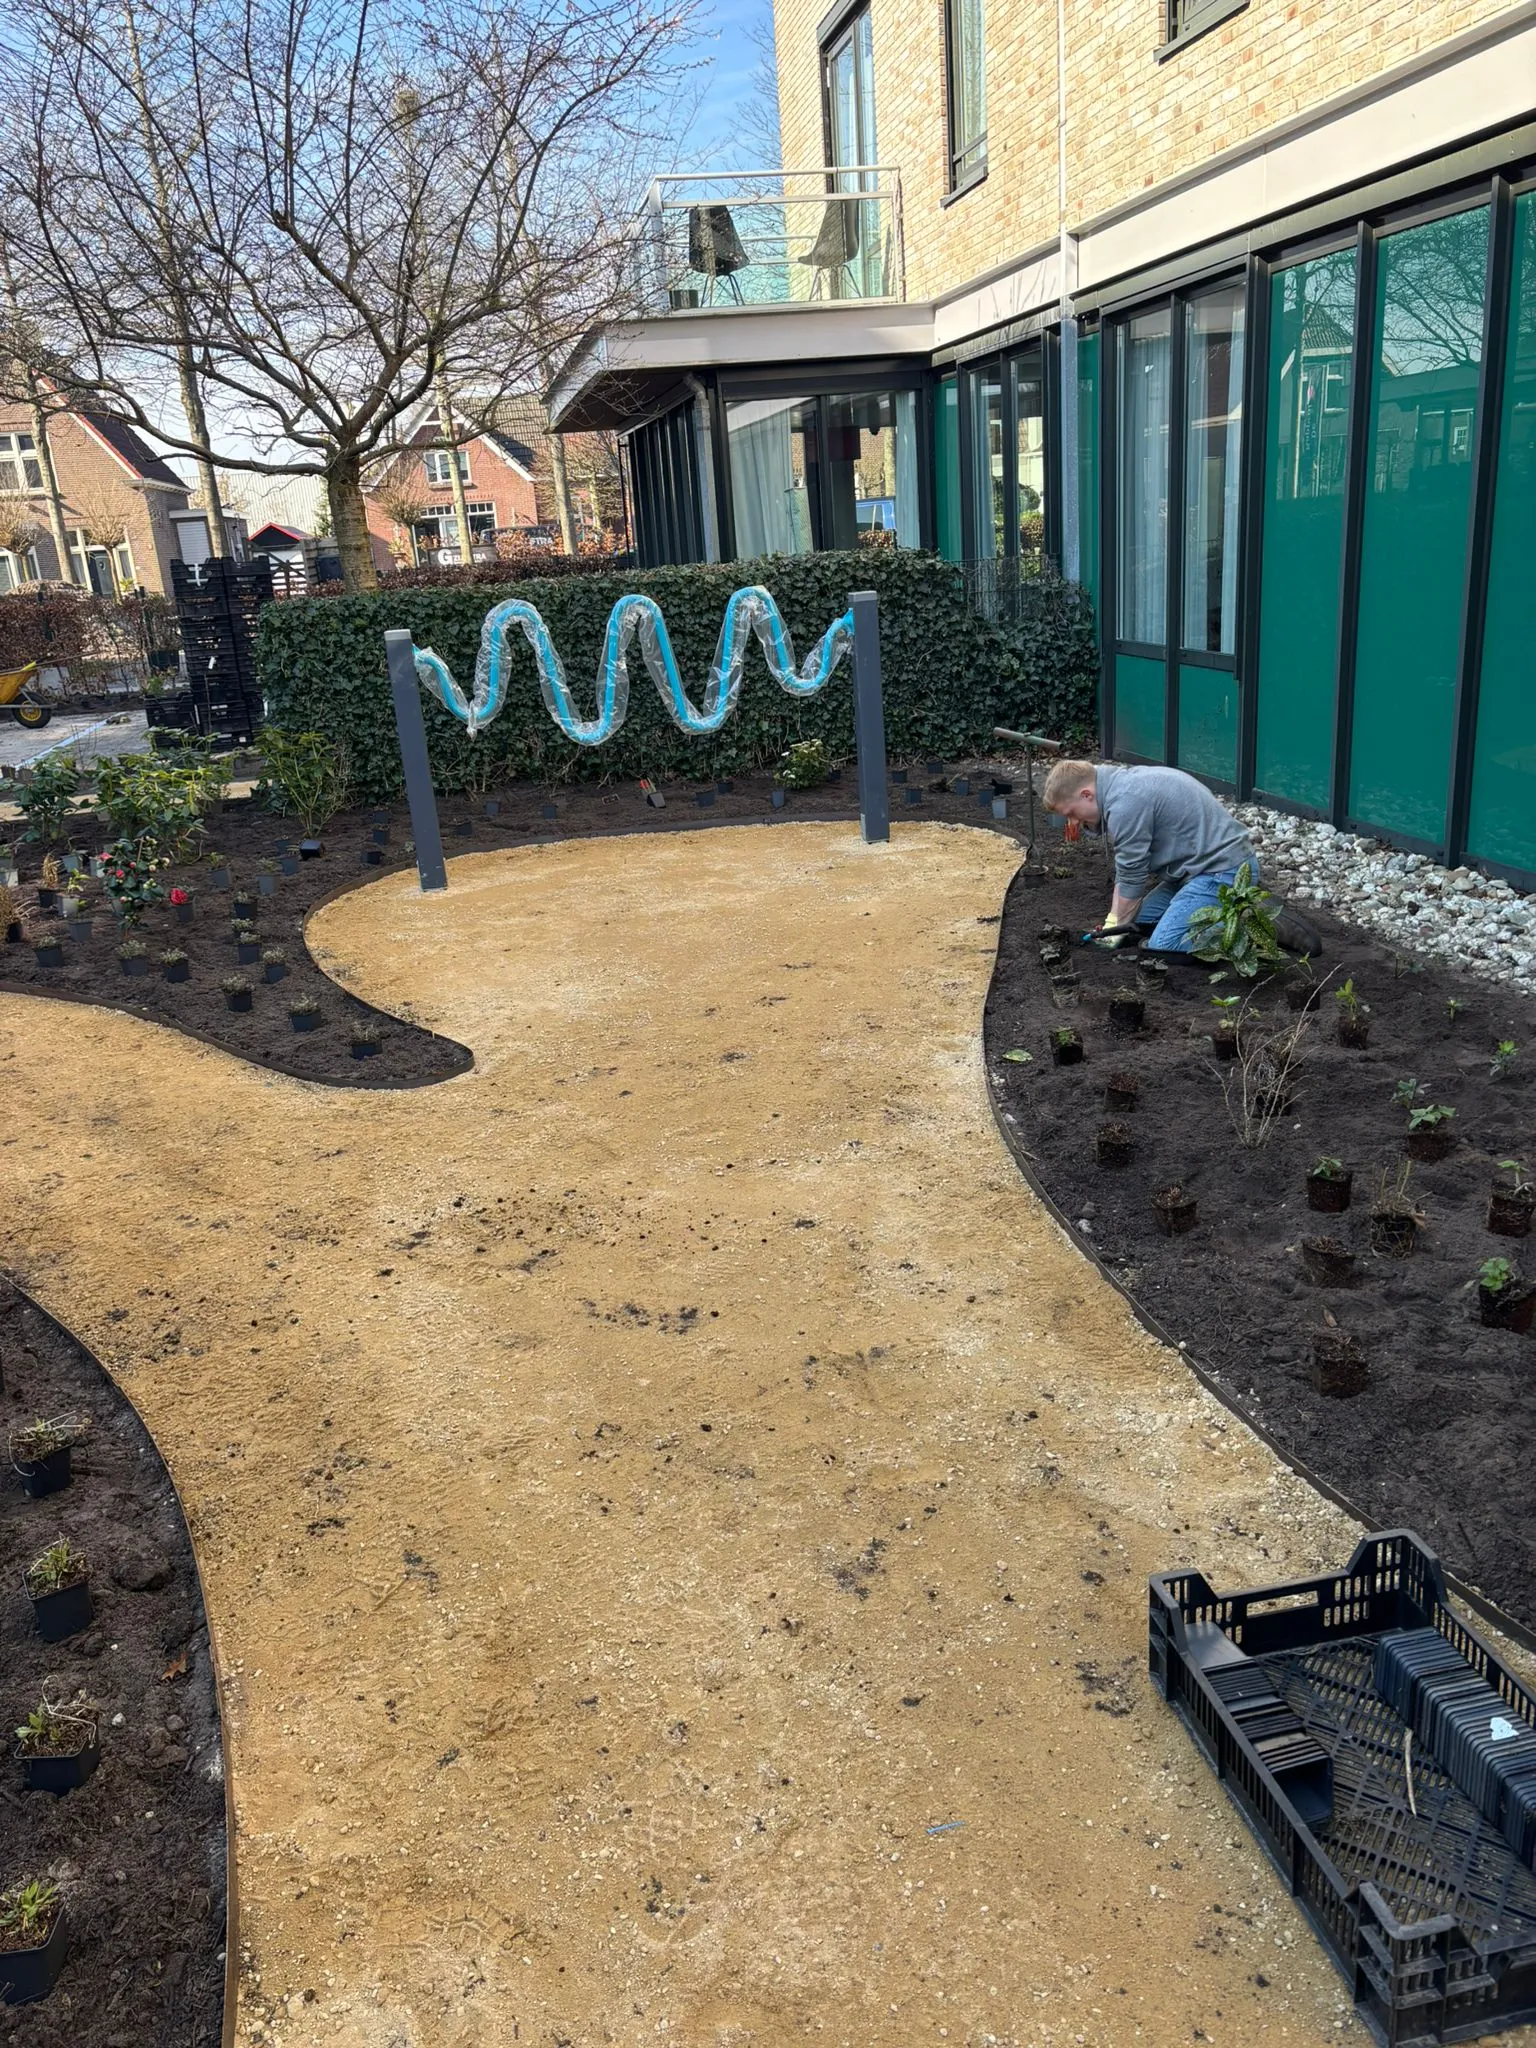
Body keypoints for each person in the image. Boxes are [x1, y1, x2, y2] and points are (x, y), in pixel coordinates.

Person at [1040, 758, 1260, 953]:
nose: (1073, 823)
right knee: (1139, 923)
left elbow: (1132, 878)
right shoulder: (1118, 787)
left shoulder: (1124, 805)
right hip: (1192, 870)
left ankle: (1243, 925)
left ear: (1086, 795)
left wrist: (1112, 933)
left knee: (1164, 944)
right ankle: (1216, 912)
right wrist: (1114, 924)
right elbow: (1126, 871)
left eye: (1071, 814)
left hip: (1222, 871)